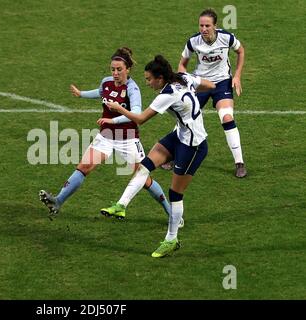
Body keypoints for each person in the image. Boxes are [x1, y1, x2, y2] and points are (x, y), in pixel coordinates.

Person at [39, 47, 171, 220]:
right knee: (84, 166)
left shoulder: (132, 89)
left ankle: (170, 212)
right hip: (106, 137)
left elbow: (138, 113)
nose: (115, 73)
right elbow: (100, 92)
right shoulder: (107, 82)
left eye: (119, 69)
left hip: (128, 139)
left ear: (128, 69)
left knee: (143, 178)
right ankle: (58, 201)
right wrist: (81, 94)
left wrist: (113, 120)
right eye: (113, 69)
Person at [104, 55, 215, 258]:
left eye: (149, 79)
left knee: (175, 194)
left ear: (161, 78)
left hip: (193, 146)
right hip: (179, 135)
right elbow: (210, 84)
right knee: (144, 166)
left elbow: (141, 119)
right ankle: (121, 205)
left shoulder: (166, 95)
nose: (147, 83)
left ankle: (171, 239)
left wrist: (119, 108)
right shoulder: (183, 77)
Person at [178, 8, 247, 178]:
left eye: (207, 25)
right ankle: (173, 155)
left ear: (215, 25)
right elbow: (182, 65)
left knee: (227, 117)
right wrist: (186, 82)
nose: (204, 29)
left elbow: (241, 51)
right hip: (200, 83)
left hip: (222, 83)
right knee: (184, 119)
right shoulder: (193, 42)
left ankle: (239, 163)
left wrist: (237, 75)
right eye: (201, 25)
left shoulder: (227, 38)